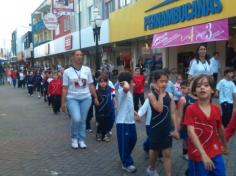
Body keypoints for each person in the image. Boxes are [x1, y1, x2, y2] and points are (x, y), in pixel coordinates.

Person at [184, 75, 227, 176]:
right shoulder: (191, 109)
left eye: (206, 85)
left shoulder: (216, 109)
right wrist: (203, 154)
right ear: (194, 92)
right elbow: (190, 131)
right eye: (198, 86)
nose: (202, 87)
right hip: (197, 153)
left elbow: (220, 128)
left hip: (215, 151)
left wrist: (225, 145)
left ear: (212, 90)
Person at [61, 50, 98, 149]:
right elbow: (64, 88)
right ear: (73, 57)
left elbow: (91, 84)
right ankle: (74, 138)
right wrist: (63, 103)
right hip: (72, 98)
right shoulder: (67, 72)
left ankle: (81, 139)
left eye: (81, 55)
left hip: (86, 98)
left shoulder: (87, 69)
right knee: (76, 119)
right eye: (77, 55)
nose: (79, 57)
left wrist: (95, 97)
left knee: (83, 119)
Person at [146, 70, 179, 176]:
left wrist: (176, 129)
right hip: (155, 128)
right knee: (154, 151)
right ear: (155, 82)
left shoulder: (169, 95)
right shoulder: (151, 95)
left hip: (166, 127)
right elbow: (159, 109)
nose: (164, 84)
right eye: (161, 81)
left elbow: (173, 112)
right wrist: (160, 94)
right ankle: (151, 168)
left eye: (166, 81)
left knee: (167, 153)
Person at [116, 71, 140, 173]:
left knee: (133, 139)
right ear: (127, 82)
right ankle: (126, 163)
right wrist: (125, 83)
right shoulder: (122, 90)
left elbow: (128, 105)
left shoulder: (129, 93)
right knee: (125, 143)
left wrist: (135, 113)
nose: (133, 83)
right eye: (132, 81)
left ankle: (124, 155)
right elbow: (125, 87)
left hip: (130, 122)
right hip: (122, 123)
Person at [178, 80, 197, 161]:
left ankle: (193, 151)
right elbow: (180, 114)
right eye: (181, 88)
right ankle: (185, 153)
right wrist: (178, 126)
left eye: (184, 88)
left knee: (194, 139)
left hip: (196, 124)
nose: (182, 90)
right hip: (186, 124)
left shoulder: (199, 98)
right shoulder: (183, 99)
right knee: (186, 139)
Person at [95, 74, 115, 142]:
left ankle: (104, 136)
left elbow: (113, 96)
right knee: (100, 123)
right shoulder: (97, 91)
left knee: (106, 123)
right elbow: (95, 100)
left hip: (108, 109)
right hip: (100, 110)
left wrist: (115, 104)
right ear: (99, 83)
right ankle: (98, 134)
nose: (103, 83)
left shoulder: (109, 89)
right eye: (101, 82)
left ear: (107, 82)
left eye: (104, 82)